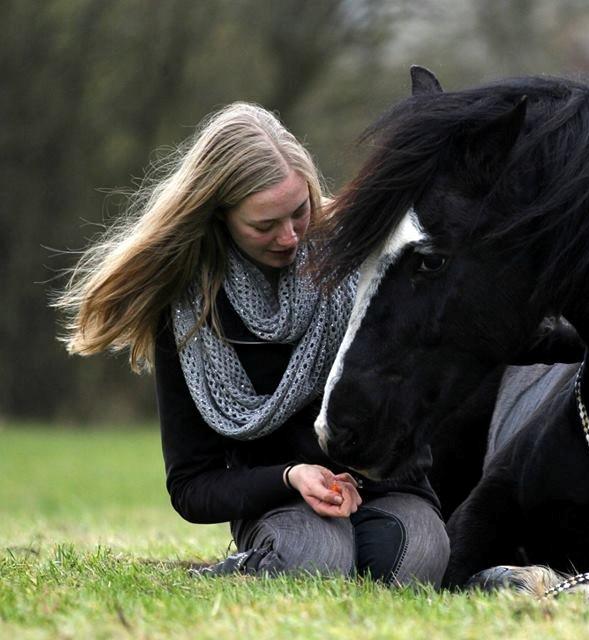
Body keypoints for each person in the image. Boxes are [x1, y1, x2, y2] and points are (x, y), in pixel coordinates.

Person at [55, 102, 449, 585]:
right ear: (220, 218)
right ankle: (243, 567)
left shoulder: (364, 263)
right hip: (277, 501)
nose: (289, 237)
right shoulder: (187, 311)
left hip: (389, 490)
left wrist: (358, 478)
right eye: (264, 226)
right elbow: (191, 486)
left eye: (300, 212)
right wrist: (291, 477)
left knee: (418, 558)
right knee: (317, 561)